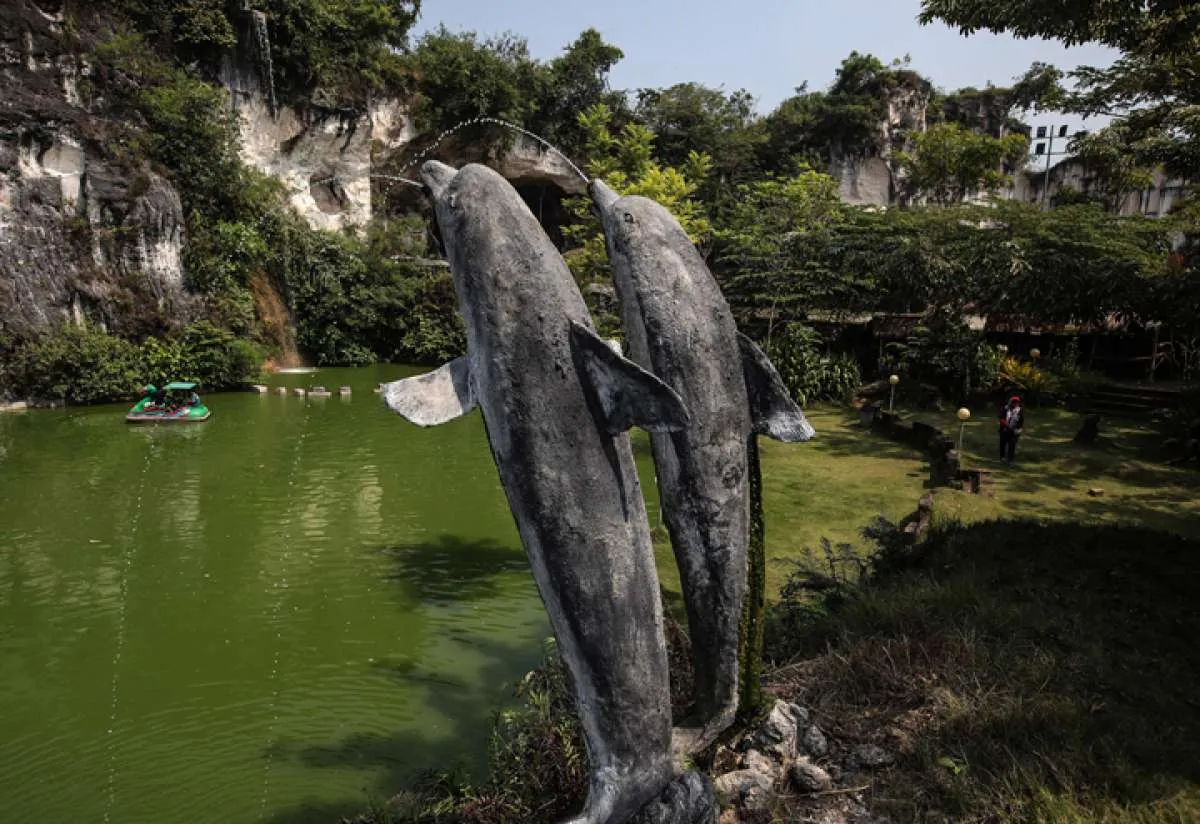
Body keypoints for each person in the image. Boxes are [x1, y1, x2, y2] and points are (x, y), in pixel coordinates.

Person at [998, 395, 1025, 465]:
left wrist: (1020, 429)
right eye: (1014, 402)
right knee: (1002, 444)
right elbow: (1001, 418)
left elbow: (1021, 420)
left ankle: (1010, 460)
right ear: (1010, 402)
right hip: (1004, 429)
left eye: (1017, 402)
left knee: (1012, 445)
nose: (1015, 404)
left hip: (1014, 430)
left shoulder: (1020, 410)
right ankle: (1002, 457)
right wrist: (1007, 425)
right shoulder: (1005, 408)